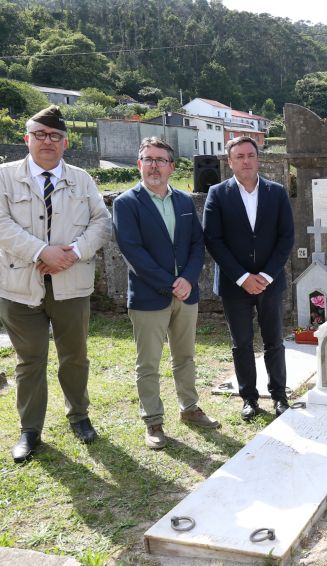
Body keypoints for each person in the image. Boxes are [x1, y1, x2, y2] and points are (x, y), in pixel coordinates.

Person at [0, 105, 111, 462]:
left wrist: (73, 252)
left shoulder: (82, 179)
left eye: (55, 136)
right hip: (19, 285)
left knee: (75, 357)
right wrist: (41, 252)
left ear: (65, 142)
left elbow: (101, 222)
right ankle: (30, 430)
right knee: (29, 360)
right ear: (26, 139)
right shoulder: (3, 176)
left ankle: (79, 415)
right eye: (40, 135)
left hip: (71, 283)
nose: (48, 141)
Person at [113, 138, 219, 450]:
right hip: (149, 296)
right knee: (149, 362)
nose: (154, 165)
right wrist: (169, 282)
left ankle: (189, 408)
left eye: (161, 160)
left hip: (186, 294)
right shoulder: (126, 202)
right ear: (139, 164)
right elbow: (132, 251)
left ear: (172, 167)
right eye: (148, 159)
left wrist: (187, 278)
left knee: (185, 355)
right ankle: (153, 420)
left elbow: (197, 245)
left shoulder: (185, 202)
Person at [202, 136, 294, 421]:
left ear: (258, 158)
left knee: (274, 341)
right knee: (241, 343)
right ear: (230, 162)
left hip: (270, 281)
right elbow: (213, 240)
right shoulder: (217, 193)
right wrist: (242, 277)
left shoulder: (276, 192)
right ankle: (249, 398)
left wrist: (266, 275)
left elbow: (286, 237)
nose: (245, 161)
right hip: (235, 284)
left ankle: (279, 395)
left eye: (250, 155)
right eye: (239, 156)